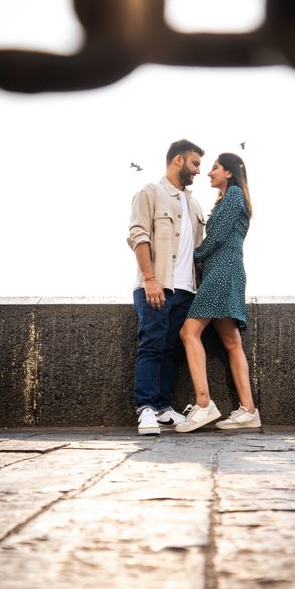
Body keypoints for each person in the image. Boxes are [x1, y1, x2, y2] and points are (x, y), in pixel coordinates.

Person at [175, 153, 260, 432]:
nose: (209, 173)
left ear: (229, 172)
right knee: (232, 342)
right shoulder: (230, 198)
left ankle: (204, 404)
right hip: (226, 272)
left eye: (214, 168)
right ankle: (248, 411)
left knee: (189, 332)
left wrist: (190, 256)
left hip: (223, 273)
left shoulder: (234, 194)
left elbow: (217, 237)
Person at [127, 139, 207, 435]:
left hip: (187, 290)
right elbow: (137, 235)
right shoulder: (150, 193)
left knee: (171, 348)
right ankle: (145, 408)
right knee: (152, 344)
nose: (199, 170)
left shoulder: (194, 204)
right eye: (195, 163)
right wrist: (150, 279)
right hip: (157, 284)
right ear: (178, 161)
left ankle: (163, 407)